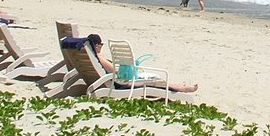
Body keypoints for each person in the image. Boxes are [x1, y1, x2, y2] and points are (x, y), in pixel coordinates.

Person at [61, 34, 198, 93]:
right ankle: (182, 88)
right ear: (96, 45)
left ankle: (182, 87)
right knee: (157, 81)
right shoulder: (100, 58)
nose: (101, 46)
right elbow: (116, 72)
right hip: (121, 83)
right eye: (100, 44)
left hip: (103, 80)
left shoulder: (90, 57)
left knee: (153, 78)